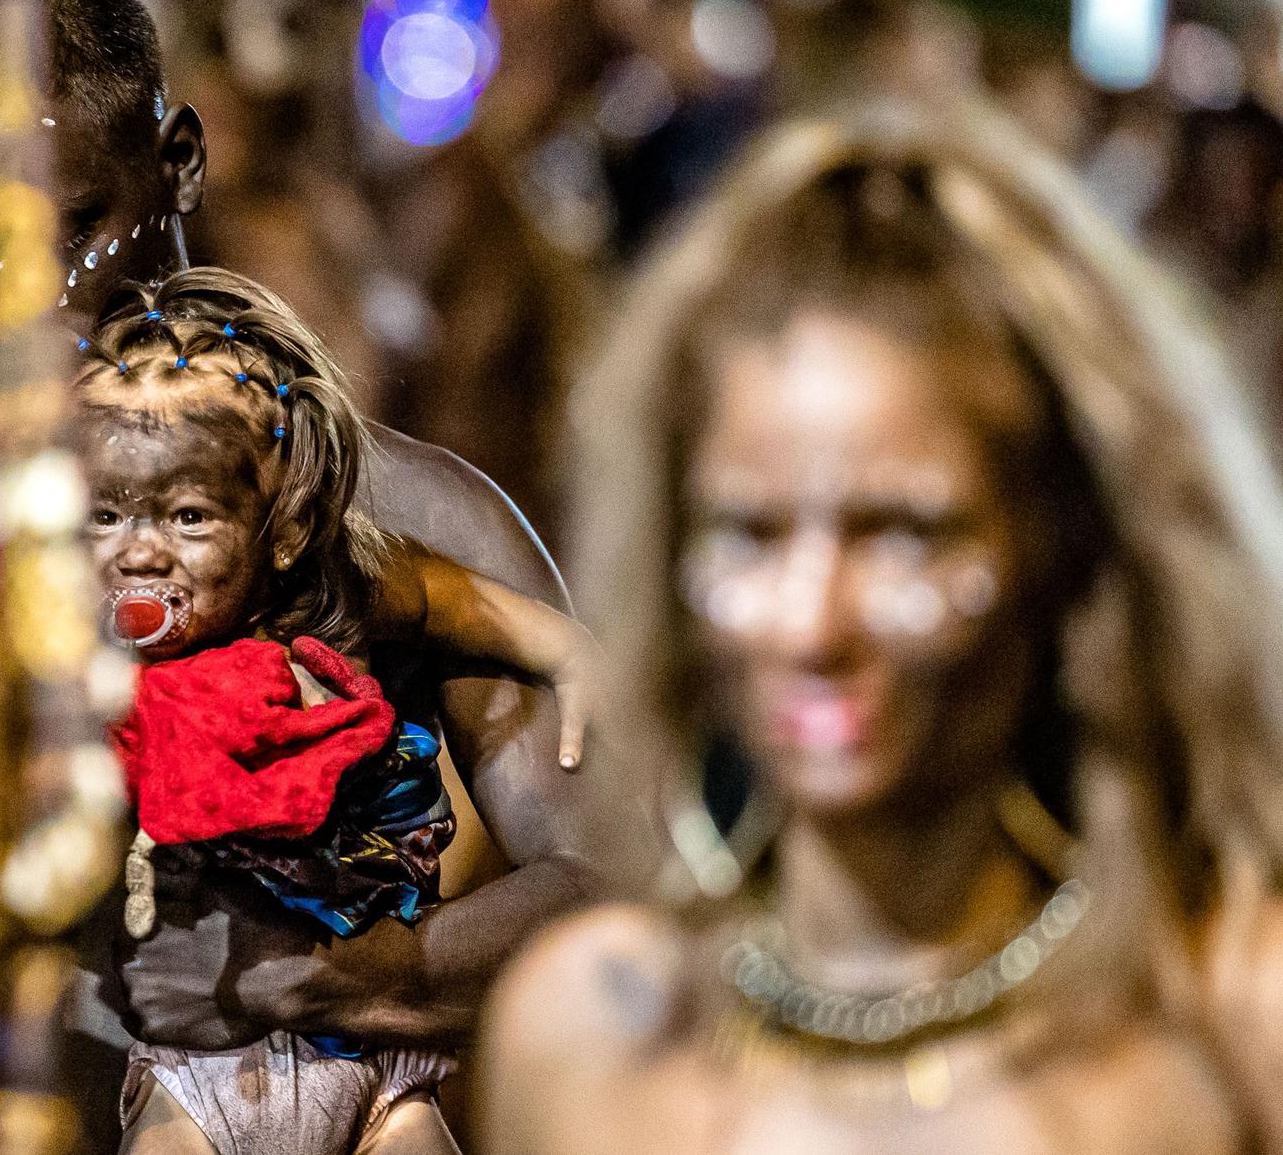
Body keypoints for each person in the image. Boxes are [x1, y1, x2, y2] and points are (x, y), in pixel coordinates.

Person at [0, 0, 614, 1113]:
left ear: (177, 163)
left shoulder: (394, 505)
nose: (21, 305)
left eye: (69, 229)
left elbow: (611, 894)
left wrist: (321, 977)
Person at [480, 101, 1283, 1151]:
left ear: (1061, 542)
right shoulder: (584, 1034)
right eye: (750, 533)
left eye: (903, 533)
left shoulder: (1224, 1023)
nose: (811, 627)